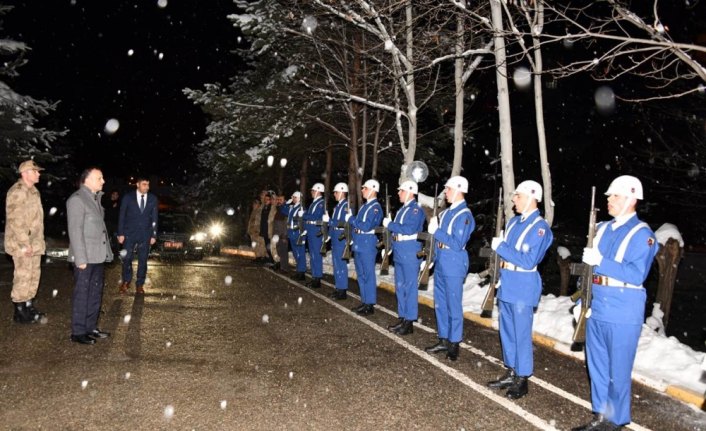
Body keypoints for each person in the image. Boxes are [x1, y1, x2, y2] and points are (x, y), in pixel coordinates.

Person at [571, 175, 658, 431]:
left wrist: (601, 261)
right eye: (609, 195)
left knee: (617, 370)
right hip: (597, 304)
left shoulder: (643, 235)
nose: (609, 199)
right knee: (596, 366)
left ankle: (616, 421)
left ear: (632, 199)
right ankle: (600, 415)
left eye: (615, 196)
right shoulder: (602, 229)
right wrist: (581, 297)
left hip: (622, 308)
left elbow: (635, 274)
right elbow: (589, 269)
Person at [487, 180, 554, 400]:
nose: (514, 200)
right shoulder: (514, 222)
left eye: (518, 196)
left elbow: (528, 260)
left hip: (523, 284)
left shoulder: (541, 228)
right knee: (506, 330)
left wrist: (502, 247)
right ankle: (512, 370)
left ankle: (523, 377)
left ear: (531, 198)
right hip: (508, 281)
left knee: (521, 333)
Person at [424, 176, 475, 361]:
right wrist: (431, 258)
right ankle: (443, 338)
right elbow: (438, 240)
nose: (446, 192)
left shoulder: (465, 215)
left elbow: (456, 242)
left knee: (453, 304)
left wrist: (436, 231)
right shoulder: (445, 214)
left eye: (448, 189)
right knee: (440, 303)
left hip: (454, 262)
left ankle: (454, 342)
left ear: (459, 190)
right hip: (441, 260)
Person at [66, 167, 114, 345]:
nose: (103, 181)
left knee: (95, 294)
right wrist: (80, 259)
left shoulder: (94, 199)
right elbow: (75, 231)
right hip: (85, 257)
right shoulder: (77, 200)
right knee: (82, 294)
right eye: (99, 178)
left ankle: (90, 327)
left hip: (97, 256)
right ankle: (78, 331)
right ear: (87, 180)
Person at [4, 160, 46, 323]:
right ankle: (20, 313)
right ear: (25, 173)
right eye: (35, 171)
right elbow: (15, 220)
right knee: (23, 276)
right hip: (21, 244)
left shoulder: (34, 191)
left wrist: (36, 243)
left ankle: (28, 307)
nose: (38, 174)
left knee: (33, 276)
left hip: (34, 243)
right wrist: (24, 243)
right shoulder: (17, 191)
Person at [384, 180, 425, 334]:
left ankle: (409, 321)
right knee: (400, 287)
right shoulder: (403, 210)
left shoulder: (415, 210)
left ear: (409, 192)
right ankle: (403, 317)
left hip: (409, 251)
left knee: (409, 288)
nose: (399, 193)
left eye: (401, 191)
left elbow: (408, 229)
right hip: (400, 250)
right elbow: (397, 233)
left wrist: (390, 225)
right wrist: (390, 247)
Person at [345, 179, 383, 315]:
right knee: (361, 275)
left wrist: (351, 219)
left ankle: (370, 304)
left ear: (373, 190)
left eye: (365, 188)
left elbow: (366, 226)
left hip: (367, 244)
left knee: (368, 274)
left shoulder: (375, 207)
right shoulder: (365, 206)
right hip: (360, 243)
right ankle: (364, 301)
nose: (362, 190)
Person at [117, 176, 158, 295]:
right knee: (127, 258)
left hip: (145, 234)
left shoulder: (152, 198)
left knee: (143, 260)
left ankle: (140, 284)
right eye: (145, 184)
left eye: (148, 185)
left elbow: (155, 218)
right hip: (129, 234)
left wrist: (154, 235)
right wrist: (120, 233)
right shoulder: (128, 197)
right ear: (138, 184)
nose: (147, 187)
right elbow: (122, 216)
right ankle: (126, 281)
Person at [325, 182, 350, 300]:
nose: (334, 194)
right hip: (335, 236)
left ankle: (342, 290)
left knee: (341, 265)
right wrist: (329, 234)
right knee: (336, 264)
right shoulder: (338, 206)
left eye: (336, 192)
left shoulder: (346, 206)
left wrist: (329, 221)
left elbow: (342, 223)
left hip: (341, 237)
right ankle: (339, 288)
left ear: (341, 192)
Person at [301, 183, 325, 288]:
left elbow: (315, 216)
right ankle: (315, 277)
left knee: (316, 255)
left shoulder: (321, 203)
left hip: (316, 230)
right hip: (311, 230)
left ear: (318, 191)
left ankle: (317, 278)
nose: (311, 192)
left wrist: (304, 215)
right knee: (312, 255)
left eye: (313, 190)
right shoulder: (314, 203)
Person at [281, 191, 306, 279]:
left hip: (298, 233)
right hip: (291, 233)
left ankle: (301, 272)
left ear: (299, 198)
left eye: (295, 197)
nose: (293, 199)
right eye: (293, 197)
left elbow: (303, 221)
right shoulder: (292, 207)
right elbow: (283, 211)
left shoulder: (301, 208)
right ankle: (299, 271)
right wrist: (286, 204)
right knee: (296, 253)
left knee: (300, 253)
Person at [272, 194, 289, 271]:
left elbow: (286, 223)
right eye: (278, 199)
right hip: (277, 234)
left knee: (283, 251)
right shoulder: (279, 209)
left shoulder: (285, 209)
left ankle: (284, 268)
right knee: (279, 250)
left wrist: (284, 236)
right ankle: (281, 266)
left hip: (282, 235)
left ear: (285, 201)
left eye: (281, 200)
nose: (279, 201)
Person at [259, 191, 276, 265]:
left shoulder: (271, 208)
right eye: (265, 199)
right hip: (264, 229)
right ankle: (270, 259)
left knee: (270, 246)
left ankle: (272, 260)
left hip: (269, 230)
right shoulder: (264, 207)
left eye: (268, 199)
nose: (266, 200)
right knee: (267, 245)